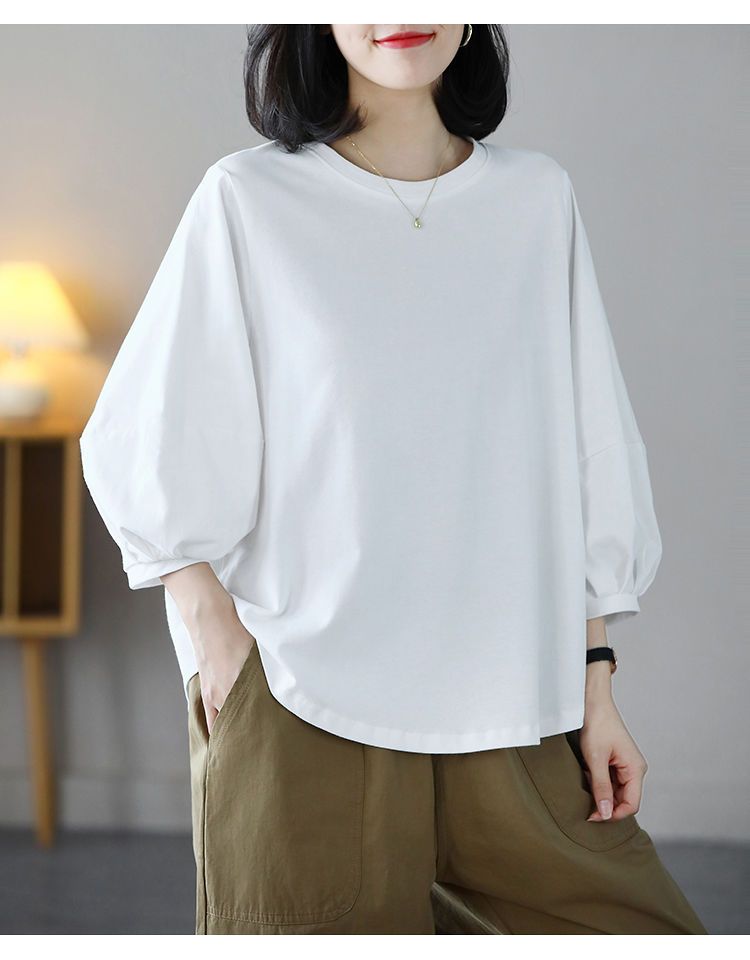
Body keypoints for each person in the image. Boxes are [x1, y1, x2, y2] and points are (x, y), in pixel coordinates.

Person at [78, 24, 709, 935]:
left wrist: (596, 681)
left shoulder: (536, 200)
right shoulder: (248, 199)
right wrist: (214, 630)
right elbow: (147, 423)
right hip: (303, 702)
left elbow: (589, 445)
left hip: (516, 705)